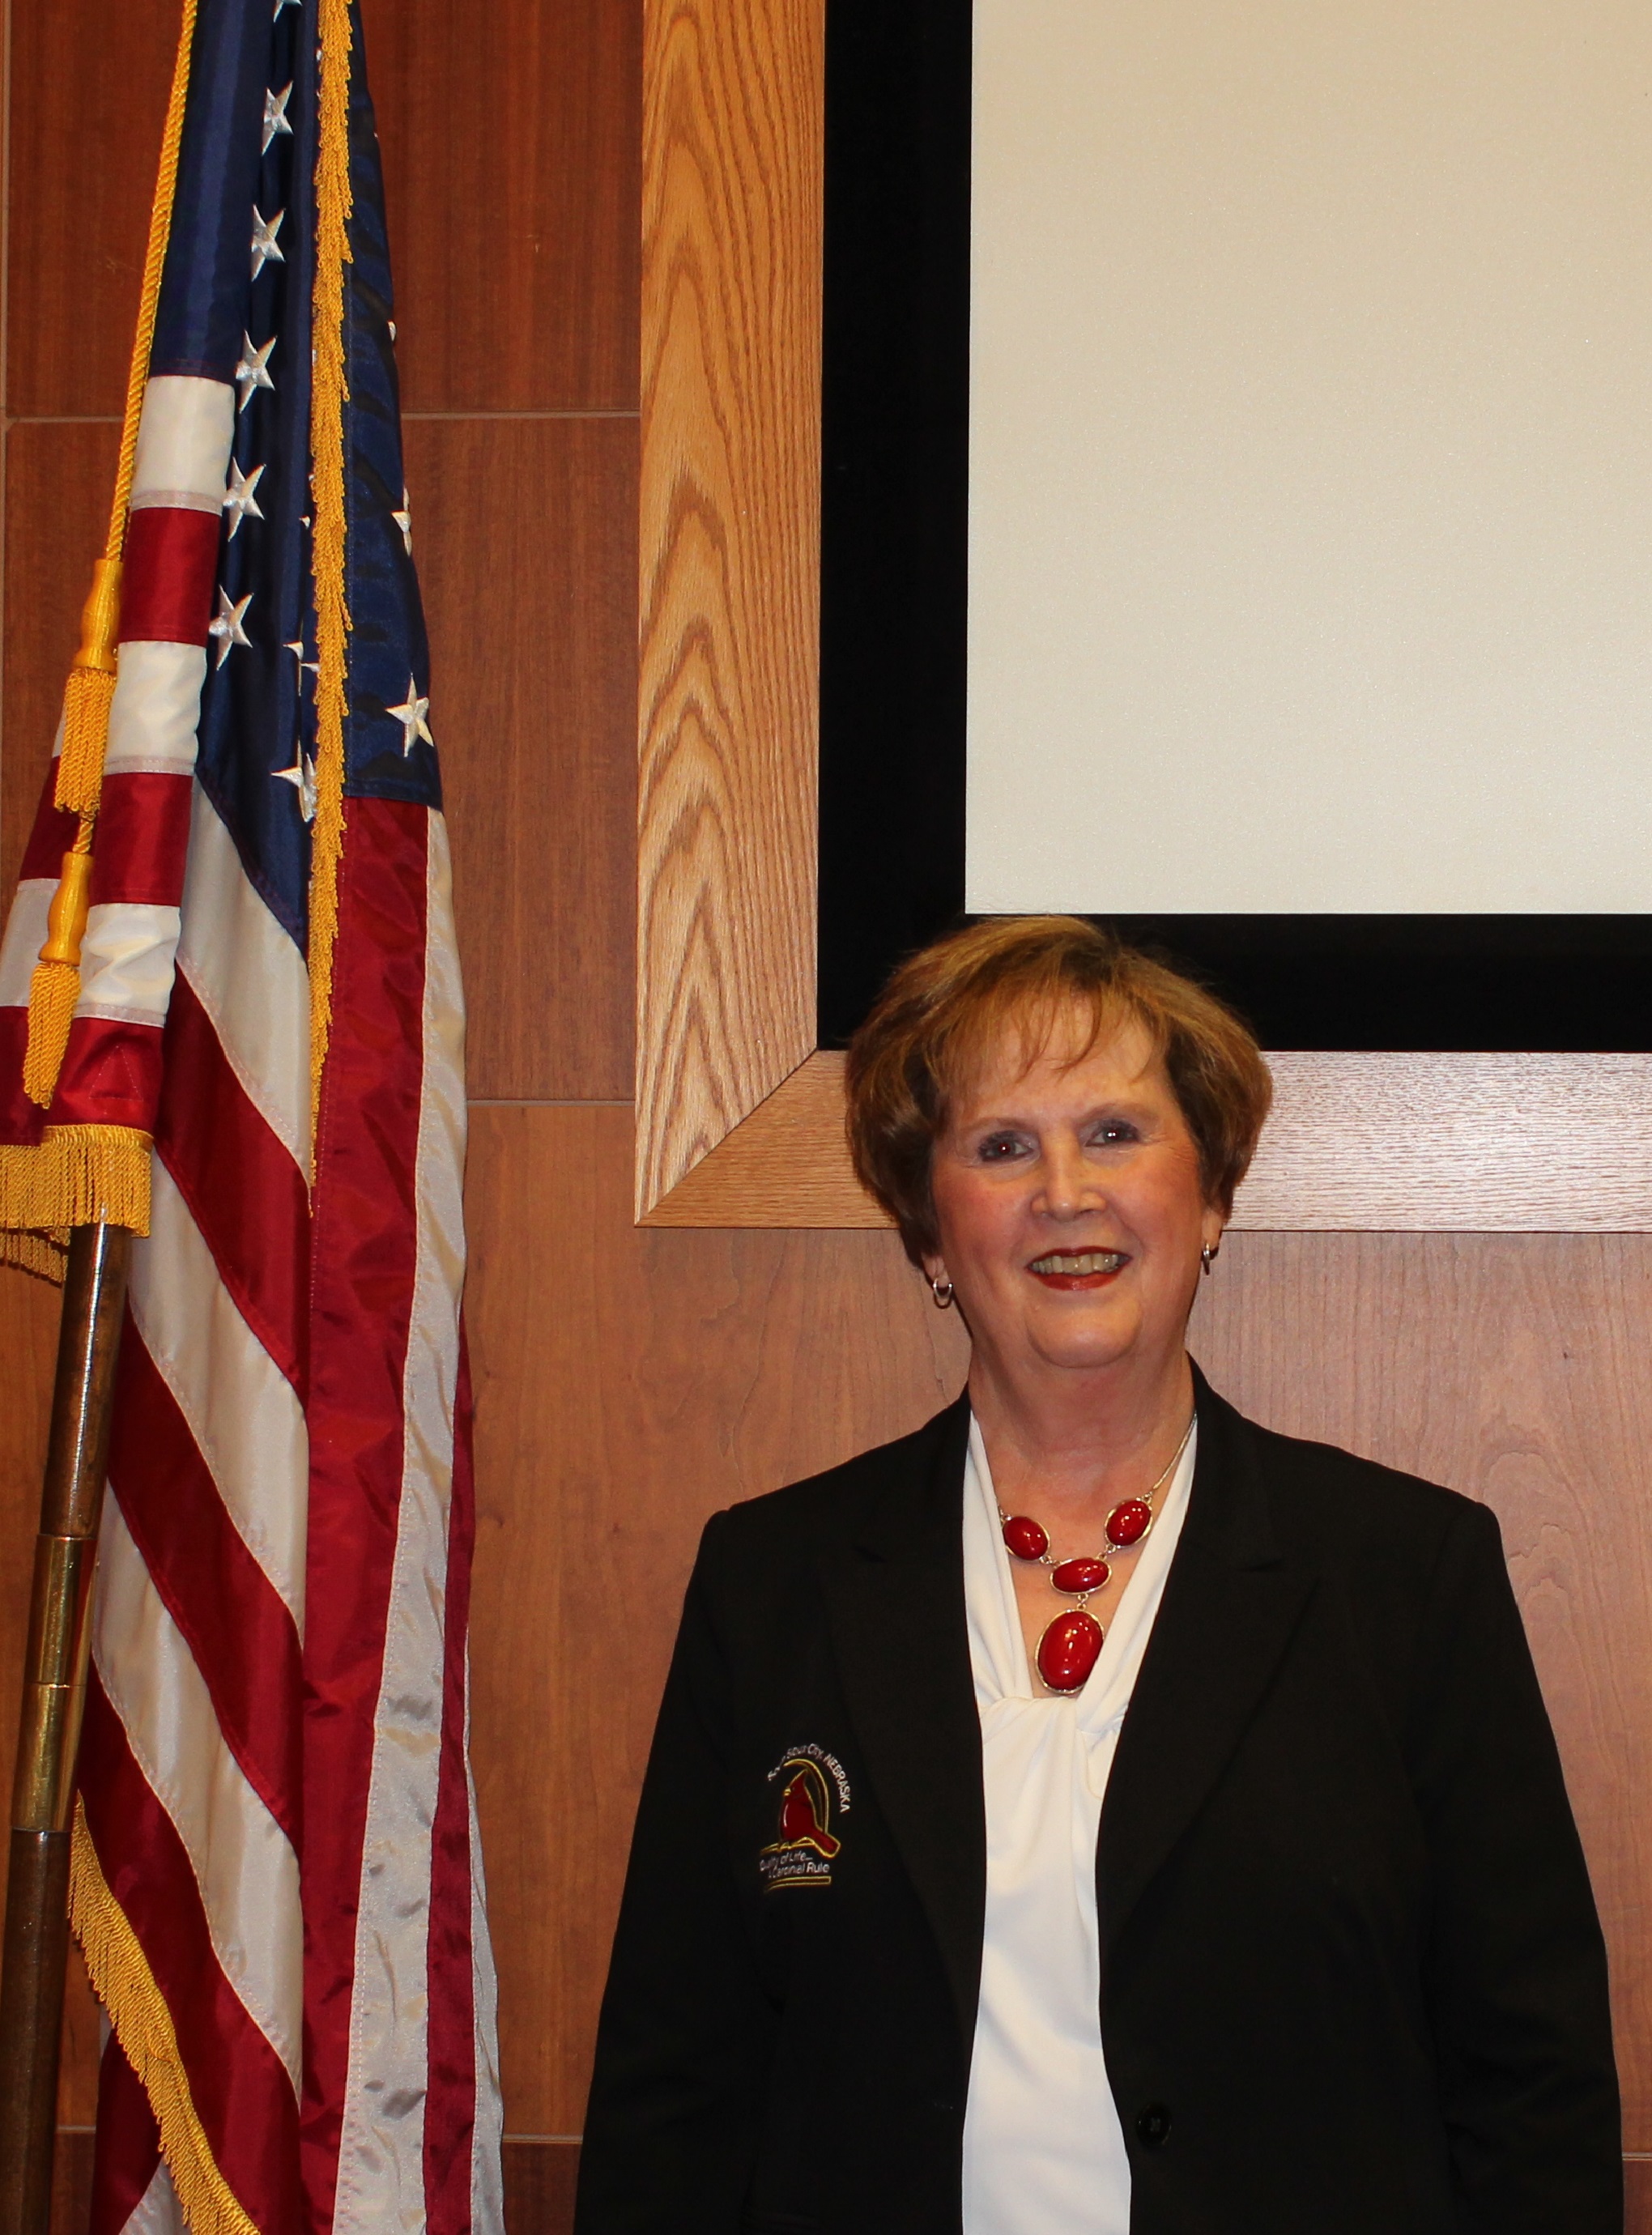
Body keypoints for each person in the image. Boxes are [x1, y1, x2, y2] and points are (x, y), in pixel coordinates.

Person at [575, 916, 1621, 2235]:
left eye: (1116, 1133)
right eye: (1001, 1146)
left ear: (1213, 1197)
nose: (1064, 1191)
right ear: (928, 1231)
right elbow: (675, 2094)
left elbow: (1533, 2090)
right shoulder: (774, 1582)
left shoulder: (1407, 1577)